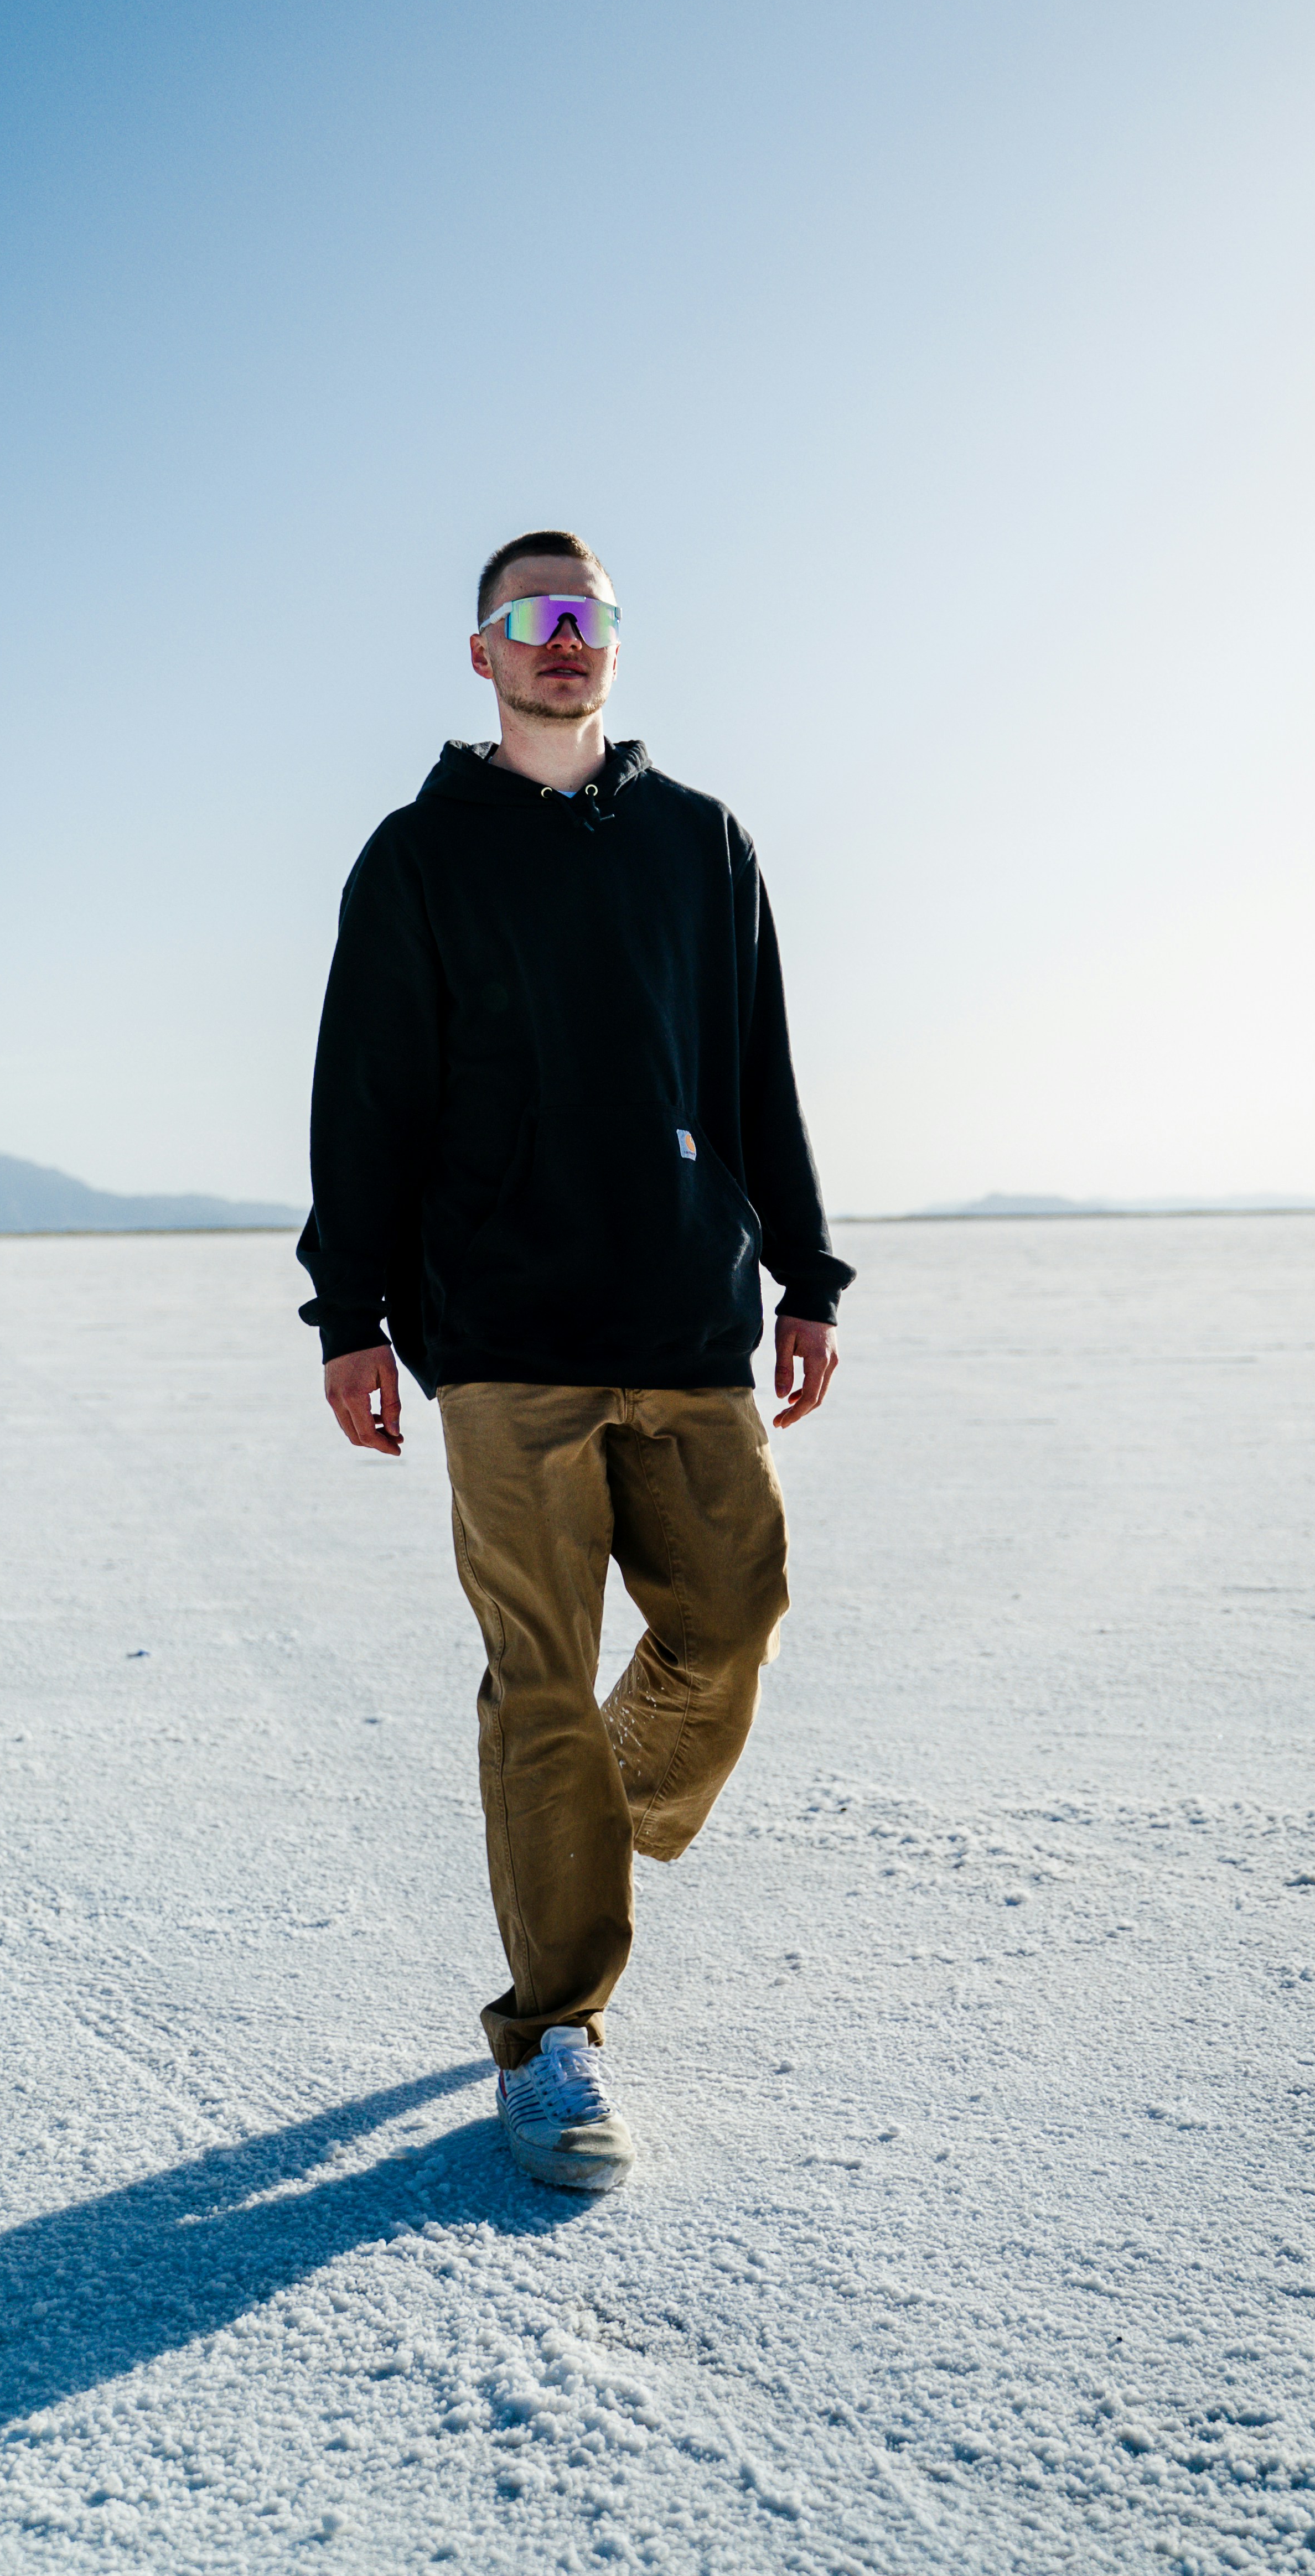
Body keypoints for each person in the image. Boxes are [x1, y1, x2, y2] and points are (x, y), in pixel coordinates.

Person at [296, 530, 853, 2191]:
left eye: (586, 619)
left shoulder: (702, 845)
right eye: (530, 620)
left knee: (729, 1613)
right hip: (505, 1341)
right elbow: (366, 1099)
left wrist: (806, 1276)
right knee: (539, 1686)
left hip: (686, 1313)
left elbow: (754, 1068)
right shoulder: (416, 858)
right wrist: (350, 1316)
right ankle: (552, 2037)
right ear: (480, 655)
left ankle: (583, 1819)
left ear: (613, 644)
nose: (562, 643)